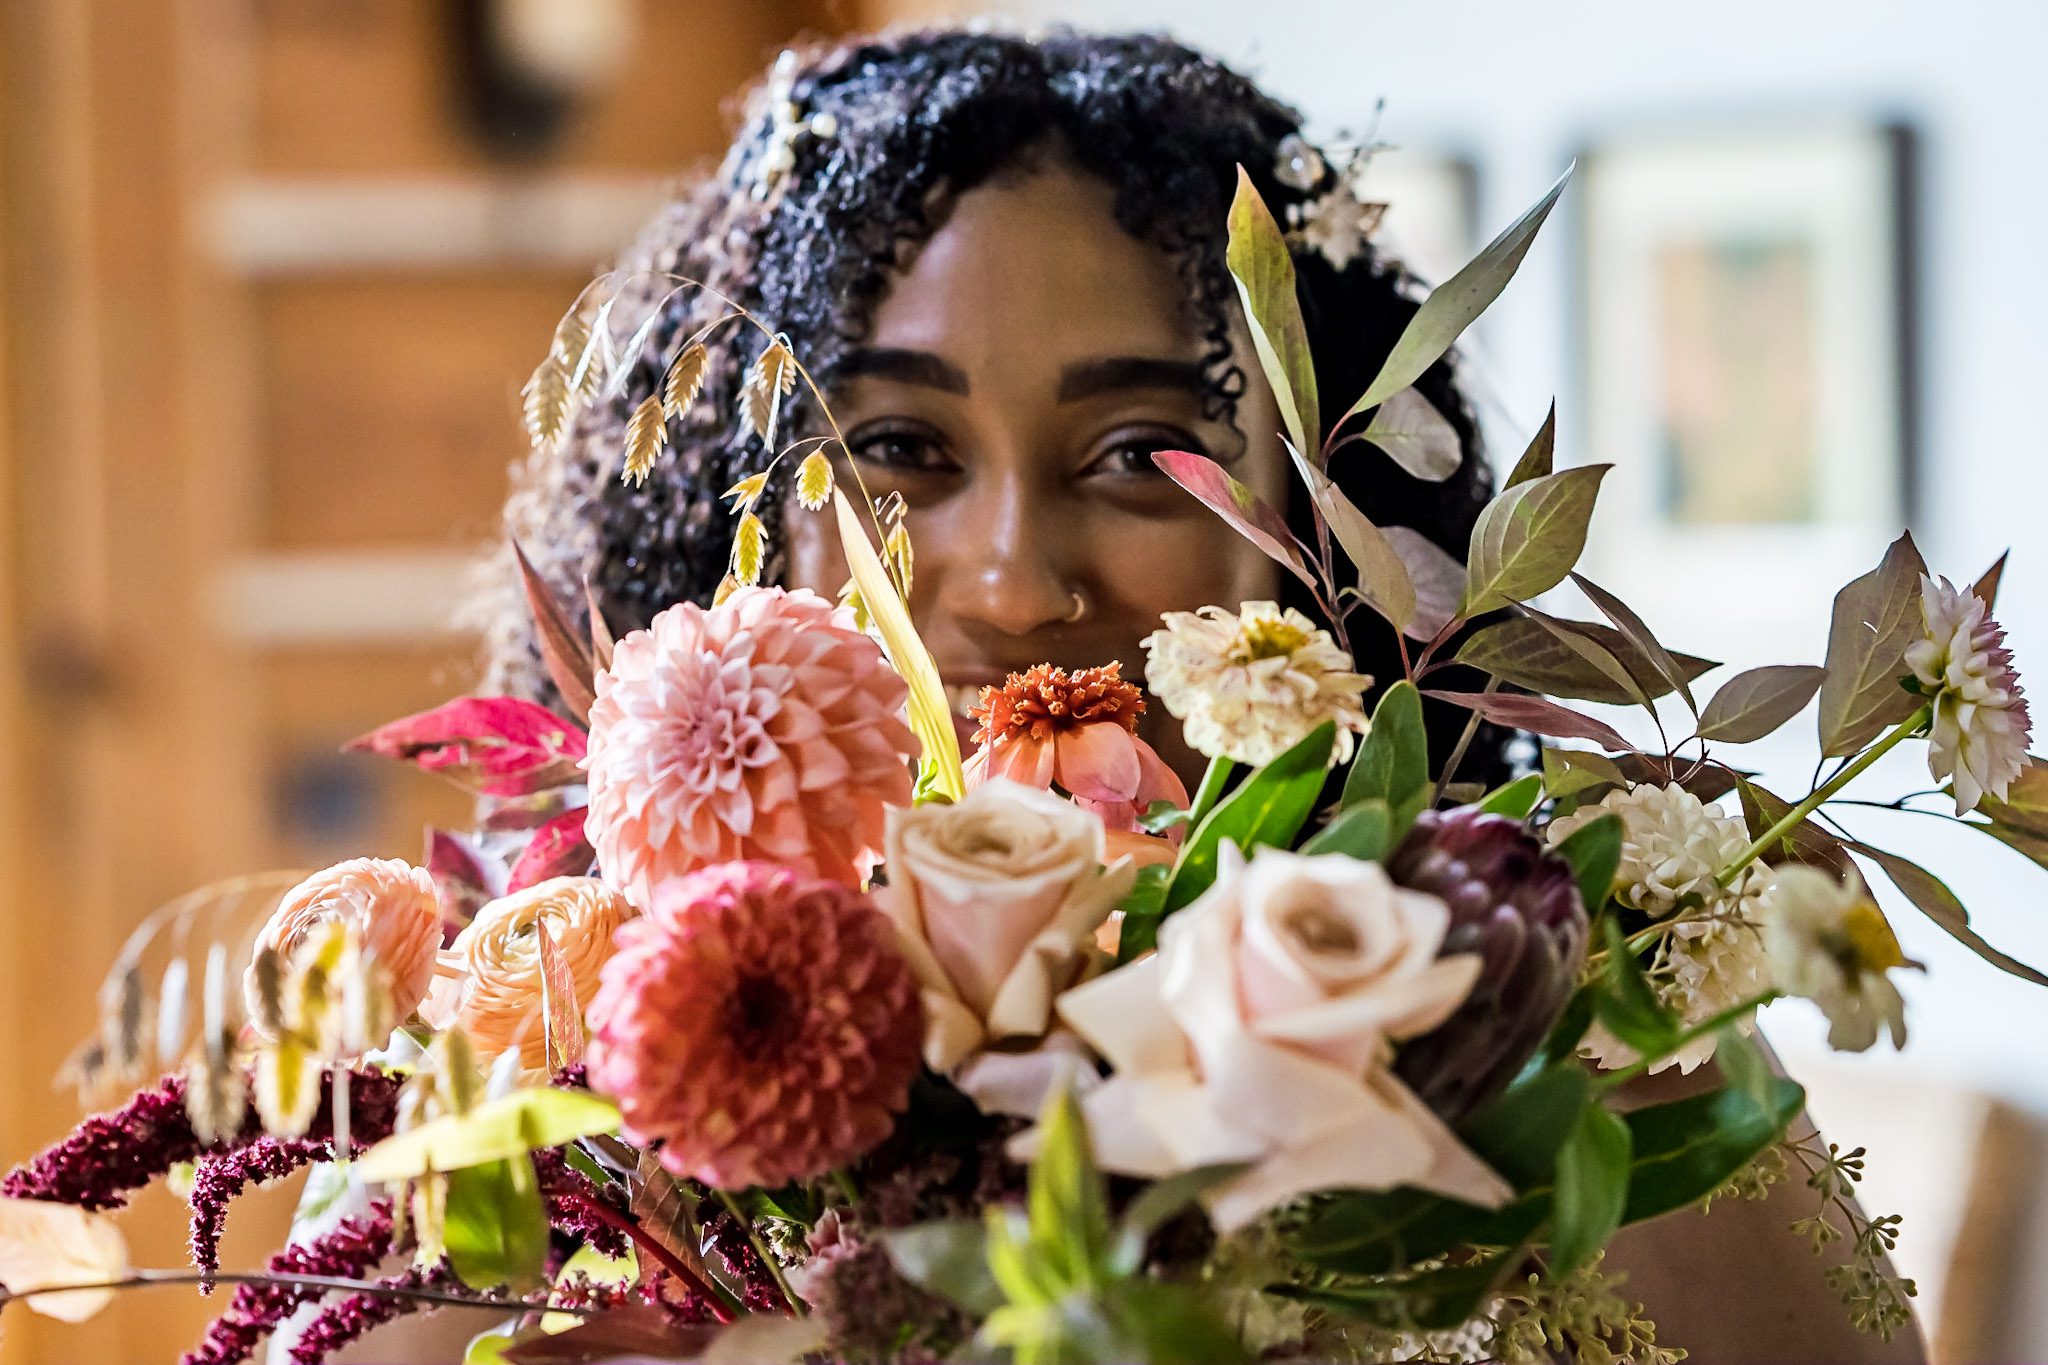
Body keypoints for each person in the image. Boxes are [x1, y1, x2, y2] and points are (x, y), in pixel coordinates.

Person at [489, 27, 1926, 1363]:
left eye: (1135, 454)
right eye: (902, 448)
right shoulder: (576, 1063)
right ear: (734, 516)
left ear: (1328, 524)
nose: (1008, 578)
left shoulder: (1533, 1010)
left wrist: (1620, 995)